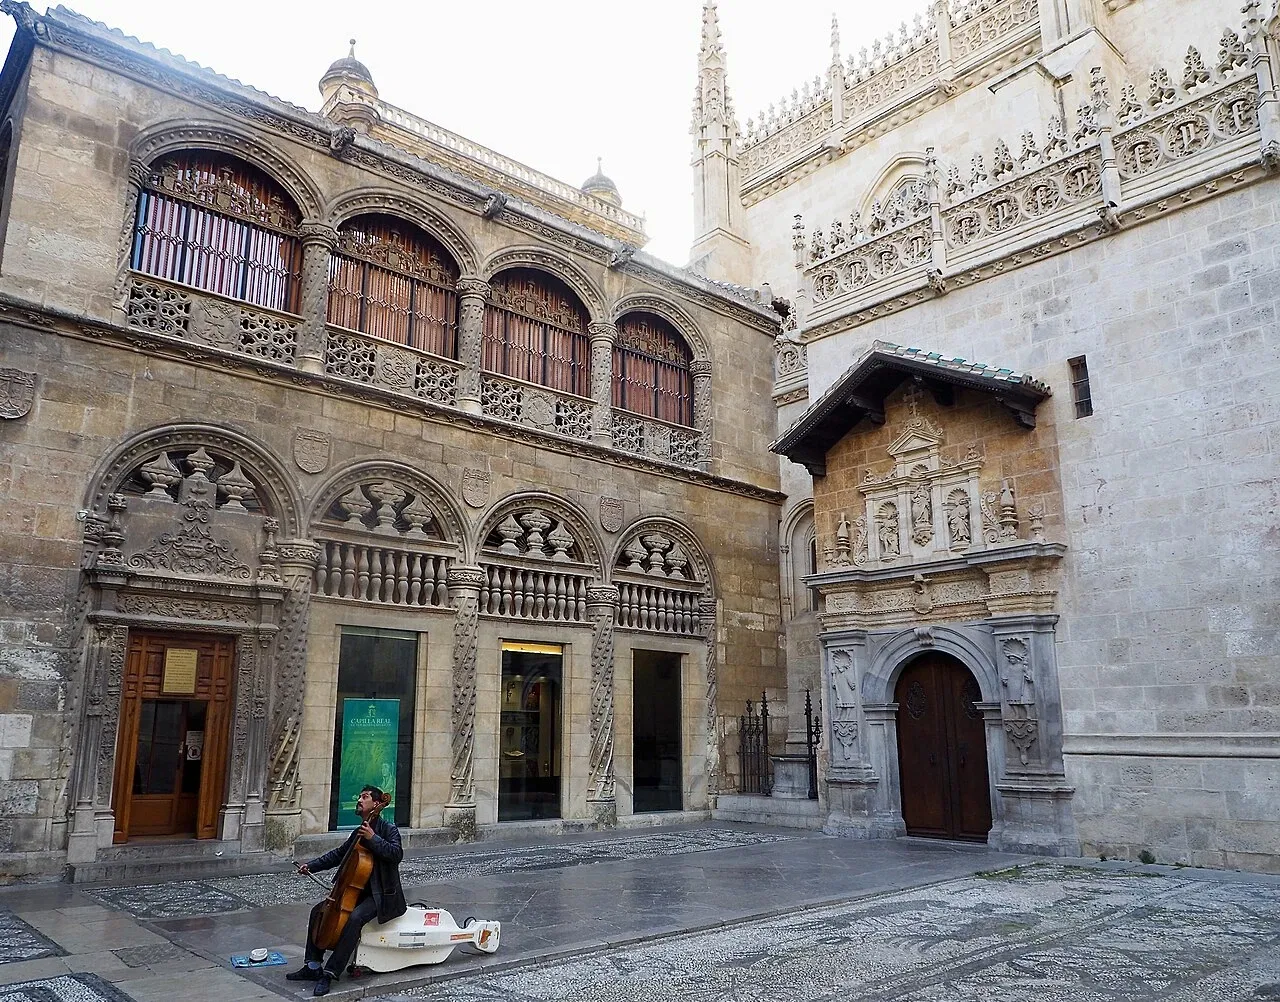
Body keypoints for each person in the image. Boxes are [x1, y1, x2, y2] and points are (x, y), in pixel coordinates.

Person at [287, 785, 407, 997]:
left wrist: (373, 838)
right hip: (357, 891)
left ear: (377, 804)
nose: (359, 800)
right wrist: (311, 866)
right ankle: (313, 966)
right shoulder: (358, 830)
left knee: (354, 918)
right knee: (318, 911)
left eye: (365, 797)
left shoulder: (388, 829)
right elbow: (339, 855)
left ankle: (331, 972)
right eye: (359, 796)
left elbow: (396, 854)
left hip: (381, 895)